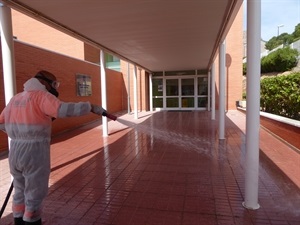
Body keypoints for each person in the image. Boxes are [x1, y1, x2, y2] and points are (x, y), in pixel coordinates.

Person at [0, 70, 116, 225]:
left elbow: (1, 122)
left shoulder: (15, 99)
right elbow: (64, 110)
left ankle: (18, 221)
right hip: (35, 152)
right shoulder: (41, 96)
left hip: (15, 150)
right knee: (35, 192)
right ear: (43, 82)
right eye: (54, 84)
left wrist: (20, 134)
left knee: (20, 190)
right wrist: (90, 107)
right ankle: (31, 221)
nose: (55, 88)